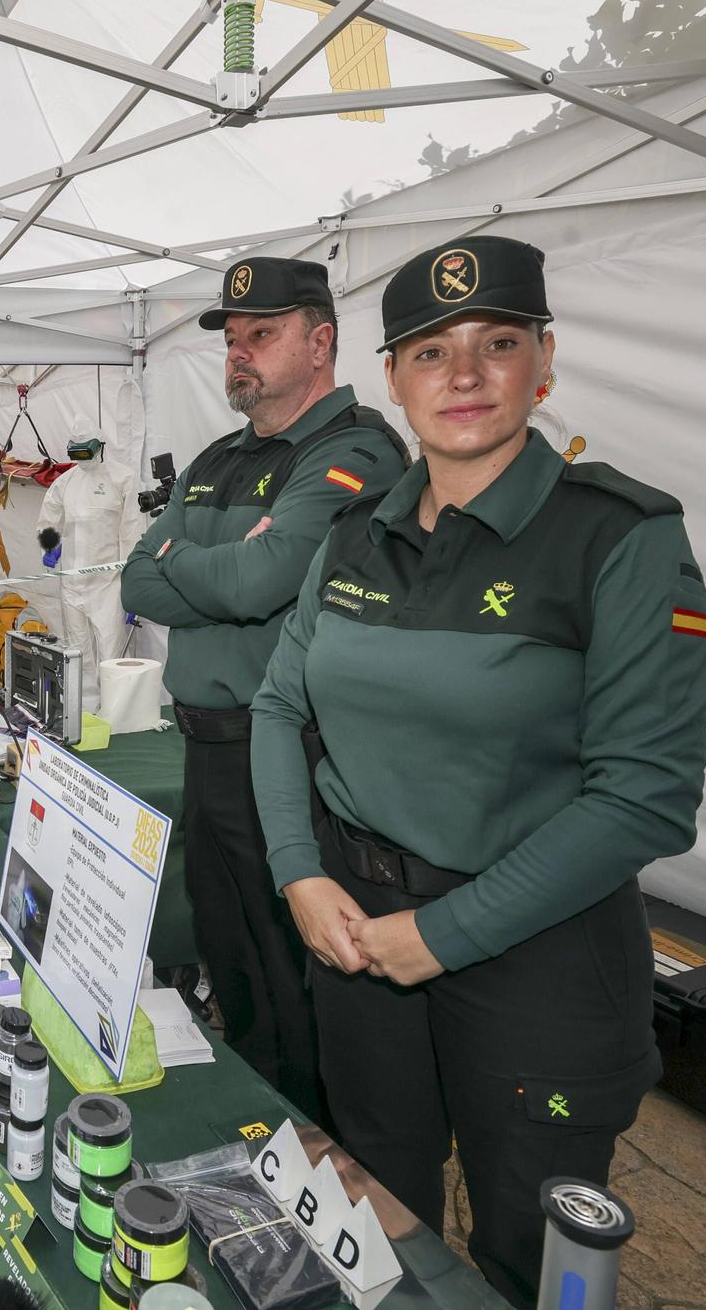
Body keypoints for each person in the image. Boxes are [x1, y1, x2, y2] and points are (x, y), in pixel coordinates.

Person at [249, 236, 706, 1306]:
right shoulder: (355, 533)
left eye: (494, 343)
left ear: (541, 363)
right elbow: (281, 704)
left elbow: (643, 794)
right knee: (376, 1211)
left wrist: (446, 934)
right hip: (355, 931)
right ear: (392, 381)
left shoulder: (619, 536)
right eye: (428, 352)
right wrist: (297, 871)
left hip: (535, 950)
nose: (461, 375)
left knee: (528, 1243)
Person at [121, 257, 407, 1118]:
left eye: (263, 334)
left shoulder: (358, 451)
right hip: (204, 751)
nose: (239, 354)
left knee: (299, 977)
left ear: (320, 342)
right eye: (234, 339)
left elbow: (262, 581)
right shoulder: (217, 458)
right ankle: (253, 1125)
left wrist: (195, 565)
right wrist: (221, 566)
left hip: (291, 757)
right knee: (229, 955)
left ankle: (320, 1146)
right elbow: (137, 581)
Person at [36, 417, 148, 708]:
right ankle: (84, 714)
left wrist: (132, 585)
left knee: (111, 654)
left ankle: (115, 714)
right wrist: (51, 545)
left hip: (109, 584)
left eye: (86, 454)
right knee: (77, 652)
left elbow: (132, 532)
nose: (81, 461)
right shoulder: (65, 483)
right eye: (76, 455)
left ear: (99, 448)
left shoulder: (123, 479)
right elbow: (49, 519)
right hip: (73, 585)